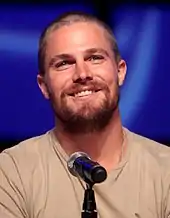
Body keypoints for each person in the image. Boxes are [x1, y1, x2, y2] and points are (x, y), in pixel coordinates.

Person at [0, 11, 170, 218]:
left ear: (121, 72)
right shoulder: (12, 170)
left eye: (95, 58)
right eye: (64, 63)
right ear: (44, 86)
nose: (82, 74)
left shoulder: (165, 169)